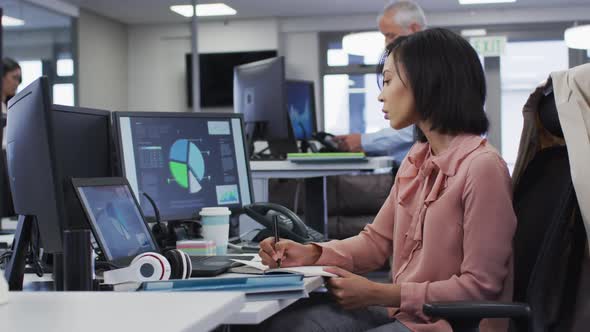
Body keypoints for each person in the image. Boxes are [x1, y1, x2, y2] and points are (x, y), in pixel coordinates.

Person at [257, 28, 517, 332]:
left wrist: (378, 294)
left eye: (389, 80)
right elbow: (376, 243)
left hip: (448, 326)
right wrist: (311, 253)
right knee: (288, 323)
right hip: (406, 315)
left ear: (428, 82)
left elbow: (480, 289)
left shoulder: (482, 168)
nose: (381, 94)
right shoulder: (417, 158)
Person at [334, 0, 425, 162]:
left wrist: (363, 141)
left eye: (391, 35)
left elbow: (417, 128)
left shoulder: (430, 66)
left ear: (414, 29)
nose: (387, 43)